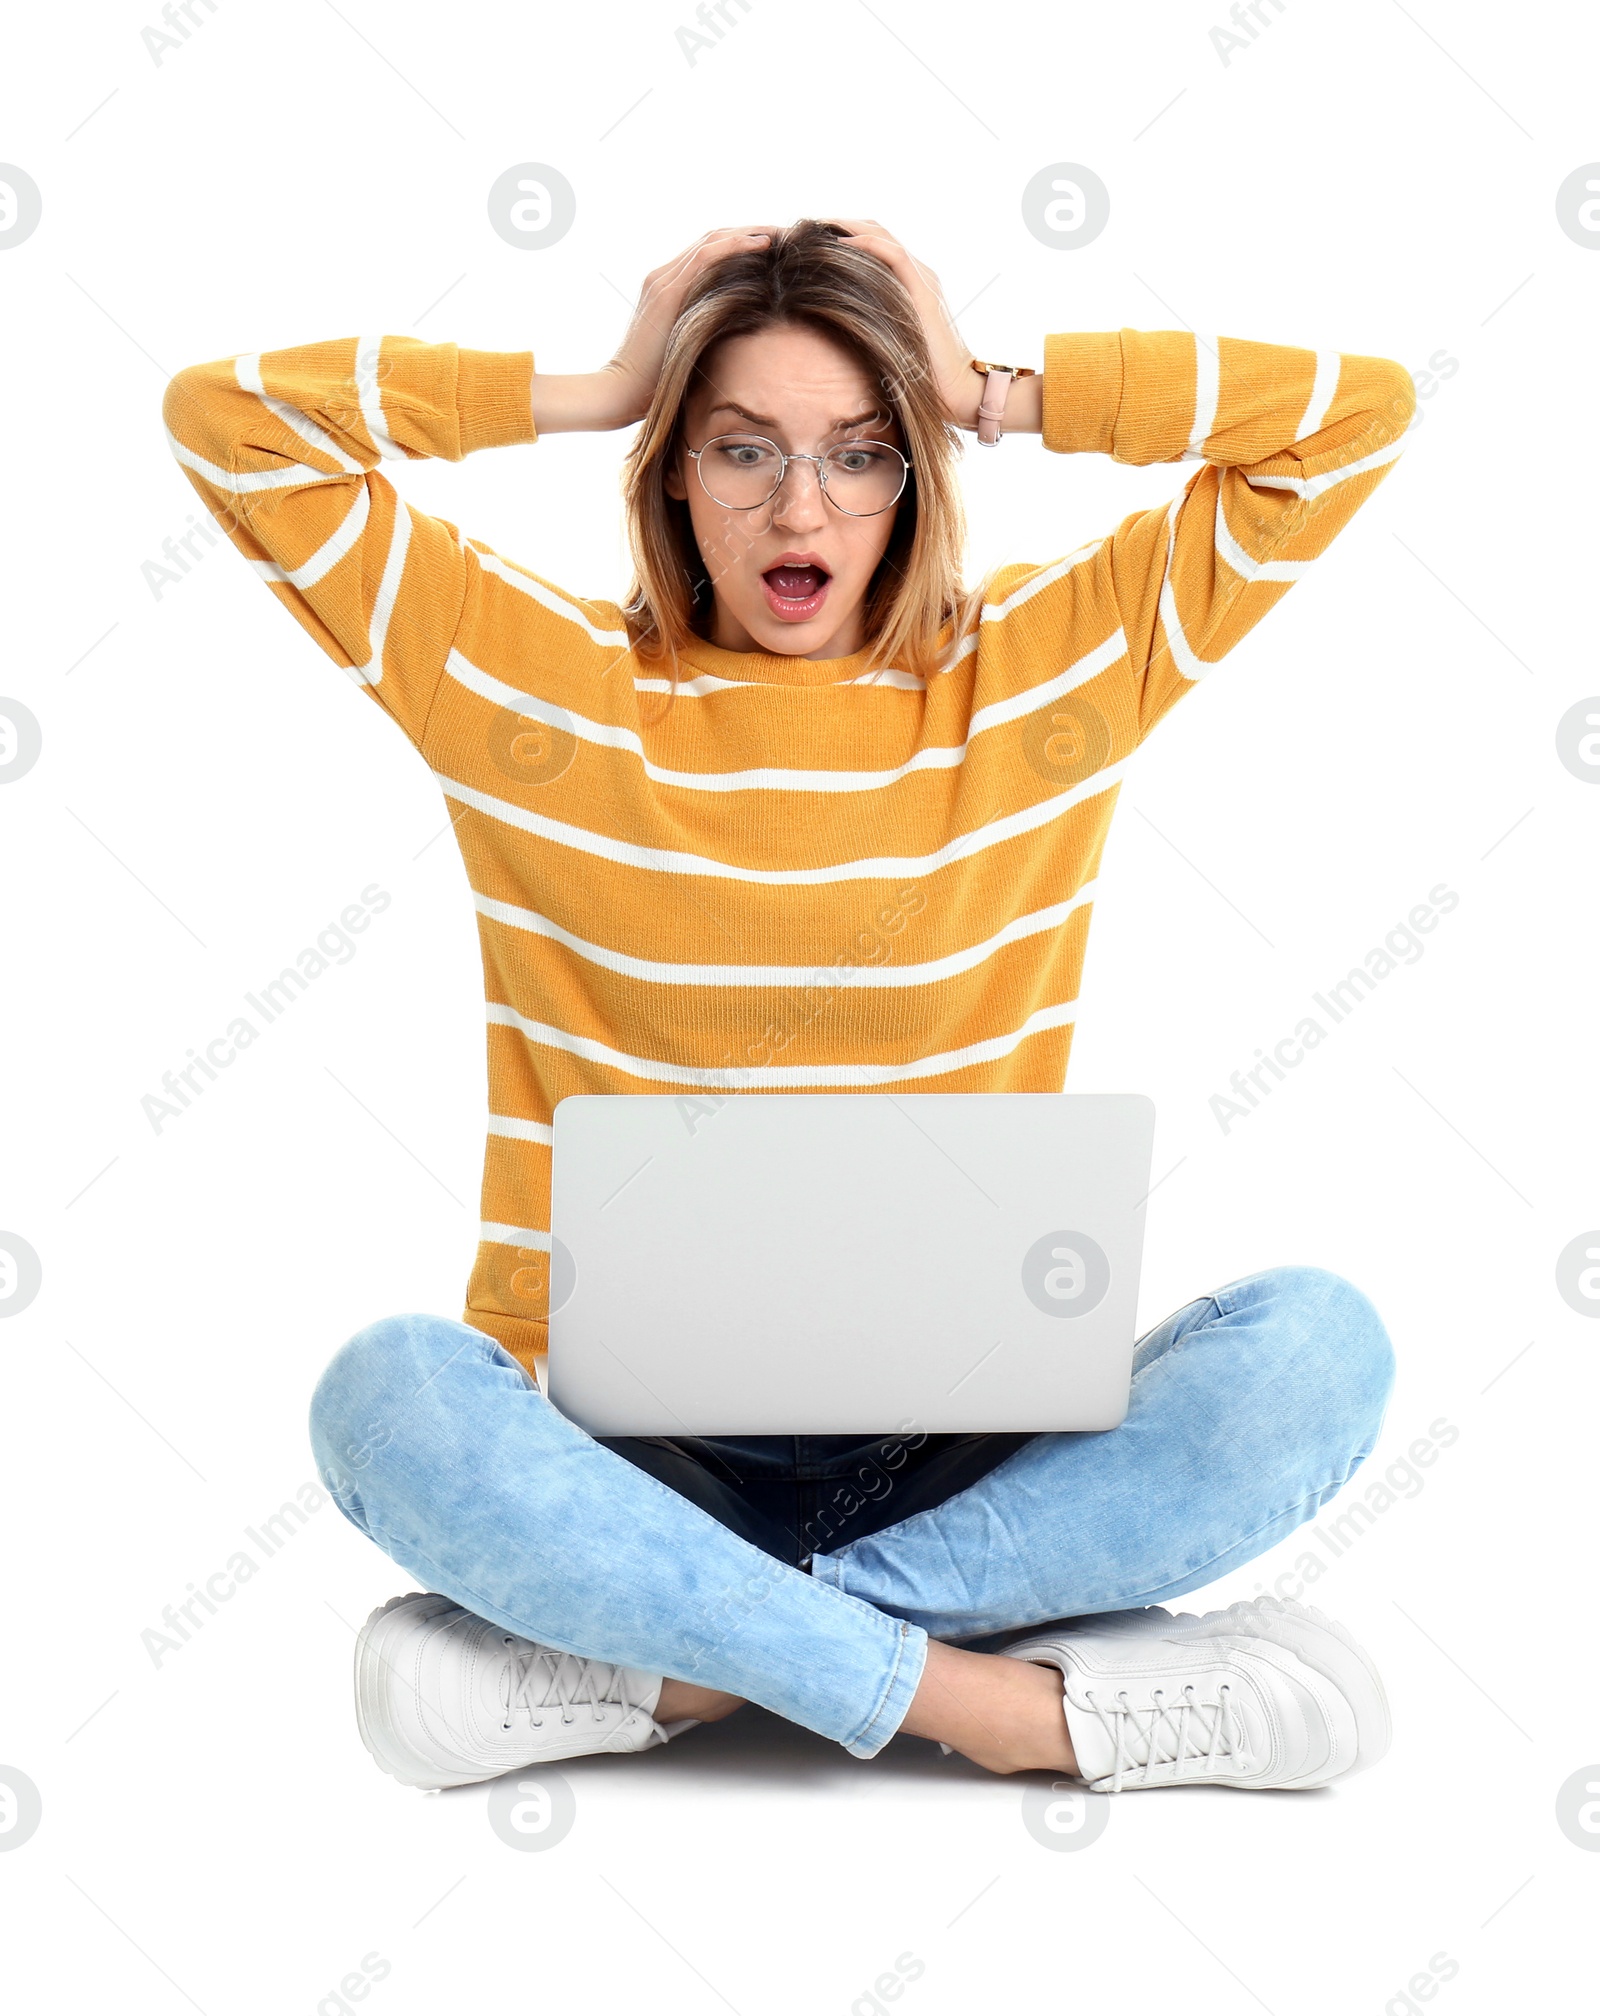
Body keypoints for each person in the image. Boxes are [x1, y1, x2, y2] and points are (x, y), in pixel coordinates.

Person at [163, 218, 1414, 1796]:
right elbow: (230, 424)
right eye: (740, 448)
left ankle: (683, 1671)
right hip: (629, 1464)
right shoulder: (526, 681)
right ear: (672, 472)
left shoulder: (1038, 672)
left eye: (864, 453)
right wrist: (597, 383)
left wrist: (992, 385)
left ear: (920, 476)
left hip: (978, 1455)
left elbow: (1354, 414)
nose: (799, 506)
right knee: (385, 1399)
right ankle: (1009, 1708)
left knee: (1318, 1348)